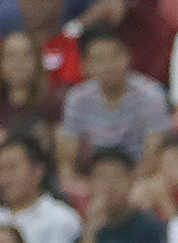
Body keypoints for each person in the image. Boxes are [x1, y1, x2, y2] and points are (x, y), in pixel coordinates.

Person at [58, 27, 171, 177]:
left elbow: (152, 157)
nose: (109, 65)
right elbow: (68, 159)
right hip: (93, 174)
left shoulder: (151, 95)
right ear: (85, 66)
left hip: (136, 174)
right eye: (99, 60)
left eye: (114, 56)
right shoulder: (77, 98)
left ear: (127, 57)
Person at [0, 30, 64, 153]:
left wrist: (7, 138)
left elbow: (58, 145)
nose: (18, 63)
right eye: (11, 56)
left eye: (26, 55)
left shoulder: (53, 103)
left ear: (38, 62)